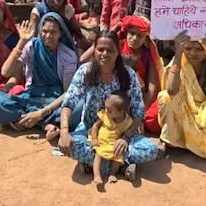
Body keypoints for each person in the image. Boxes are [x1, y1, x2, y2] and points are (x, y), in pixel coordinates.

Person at [57, 30, 161, 182]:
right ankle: (119, 166)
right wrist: (64, 132)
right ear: (94, 50)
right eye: (100, 49)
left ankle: (96, 164)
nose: (104, 54)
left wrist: (125, 138)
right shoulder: (84, 72)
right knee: (70, 146)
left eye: (110, 50)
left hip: (122, 135)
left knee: (150, 150)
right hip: (90, 134)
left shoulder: (128, 74)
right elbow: (68, 104)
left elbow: (138, 113)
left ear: (118, 51)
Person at [0, 11, 79, 137]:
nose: (48, 36)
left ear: (61, 33)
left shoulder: (68, 56)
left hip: (54, 101)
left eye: (53, 32)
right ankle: (45, 124)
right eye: (45, 31)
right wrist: (22, 42)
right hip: (30, 97)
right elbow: (5, 72)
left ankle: (26, 120)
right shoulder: (32, 46)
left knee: (77, 110)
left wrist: (40, 113)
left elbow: (68, 93)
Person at [158, 32, 206, 163]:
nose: (193, 53)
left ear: (205, 50)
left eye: (198, 49)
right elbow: (171, 90)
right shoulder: (179, 61)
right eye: (188, 49)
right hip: (185, 110)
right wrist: (178, 55)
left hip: (205, 112)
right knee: (165, 97)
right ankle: (169, 140)